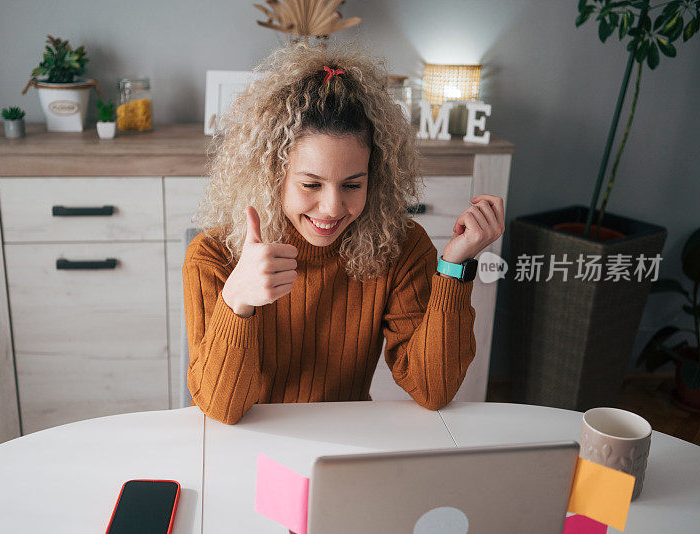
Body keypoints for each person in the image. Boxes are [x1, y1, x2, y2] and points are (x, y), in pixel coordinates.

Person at [183, 42, 504, 425]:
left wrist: (455, 265)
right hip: (242, 447)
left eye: (352, 185)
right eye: (311, 185)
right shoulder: (214, 255)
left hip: (344, 444)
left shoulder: (398, 247)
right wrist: (237, 299)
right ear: (273, 175)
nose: (333, 208)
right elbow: (222, 409)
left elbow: (433, 389)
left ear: (375, 177)